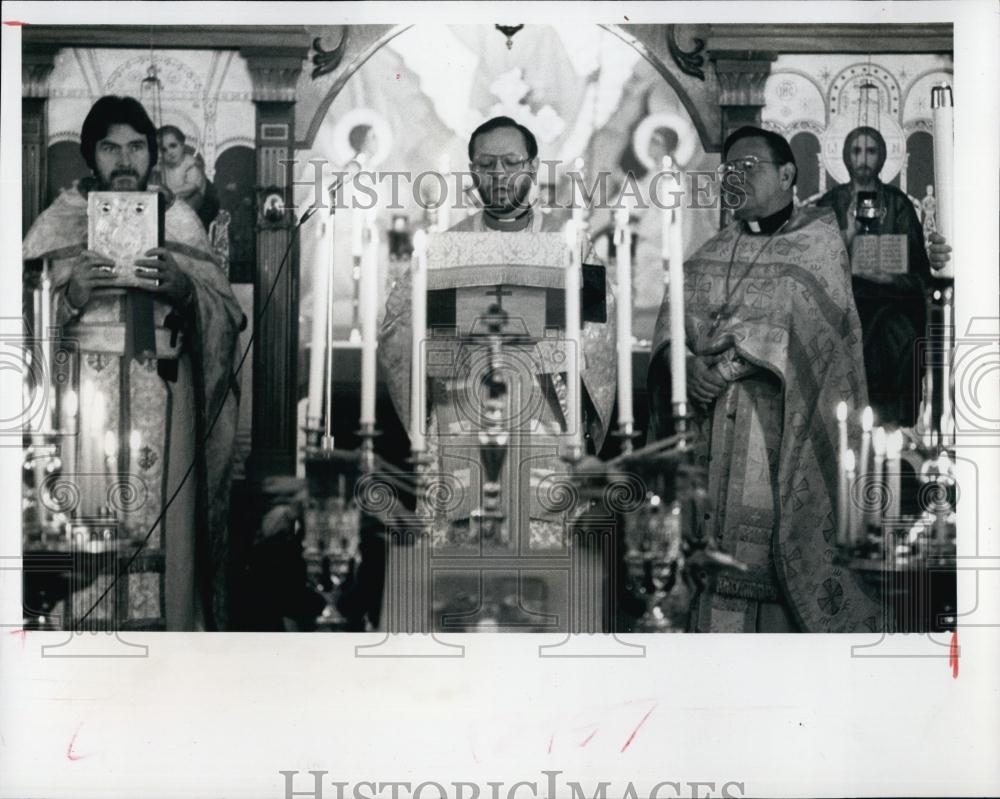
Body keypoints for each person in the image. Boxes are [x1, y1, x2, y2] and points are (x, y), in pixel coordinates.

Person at [377, 116, 617, 630]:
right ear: (471, 172)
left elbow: (600, 329)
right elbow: (397, 330)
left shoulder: (569, 244)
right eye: (487, 164)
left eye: (511, 162)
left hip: (545, 428)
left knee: (544, 564)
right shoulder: (441, 248)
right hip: (459, 423)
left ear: (533, 168)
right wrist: (455, 341)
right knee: (461, 576)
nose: (500, 174)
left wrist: (537, 339)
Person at [648, 126, 888, 633]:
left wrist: (727, 368)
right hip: (708, 441)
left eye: (748, 166)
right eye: (728, 170)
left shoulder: (818, 244)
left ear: (787, 174)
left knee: (768, 582)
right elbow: (672, 323)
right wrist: (684, 366)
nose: (736, 177)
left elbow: (811, 329)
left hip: (775, 435)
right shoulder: (709, 253)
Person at [23, 96, 242, 631]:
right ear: (90, 157)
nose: (124, 160)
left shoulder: (182, 221)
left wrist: (187, 290)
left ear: (152, 155)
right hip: (79, 411)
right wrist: (68, 296)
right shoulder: (58, 223)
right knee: (84, 524)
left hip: (164, 402)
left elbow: (226, 316)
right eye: (110, 147)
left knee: (166, 527)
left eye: (136, 147)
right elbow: (19, 322)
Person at [815, 125, 950, 427]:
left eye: (871, 151)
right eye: (856, 151)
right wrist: (848, 237)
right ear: (846, 156)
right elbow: (814, 268)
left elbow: (919, 274)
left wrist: (886, 277)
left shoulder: (898, 204)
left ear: (884, 156)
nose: (863, 159)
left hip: (893, 302)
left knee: (901, 335)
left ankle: (896, 427)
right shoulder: (830, 204)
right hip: (843, 301)